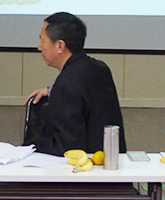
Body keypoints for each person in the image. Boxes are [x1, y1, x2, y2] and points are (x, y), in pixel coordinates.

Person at [24, 12, 127, 156]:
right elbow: (86, 96)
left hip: (85, 167)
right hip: (110, 161)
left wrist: (31, 145)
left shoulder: (67, 83)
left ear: (60, 46)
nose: (39, 47)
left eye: (43, 41)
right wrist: (53, 90)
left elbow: (66, 147)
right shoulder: (100, 68)